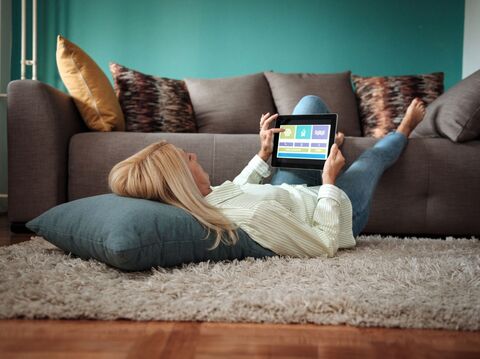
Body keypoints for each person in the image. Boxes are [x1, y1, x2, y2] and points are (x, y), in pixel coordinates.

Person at [109, 96, 425, 258]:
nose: (192, 155)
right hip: (334, 211)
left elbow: (239, 189)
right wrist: (329, 182)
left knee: (310, 104)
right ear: (181, 180)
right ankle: (403, 131)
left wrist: (264, 153)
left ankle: (327, 147)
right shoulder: (256, 217)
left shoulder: (207, 198)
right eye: (185, 159)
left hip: (291, 191)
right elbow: (324, 243)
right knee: (371, 160)